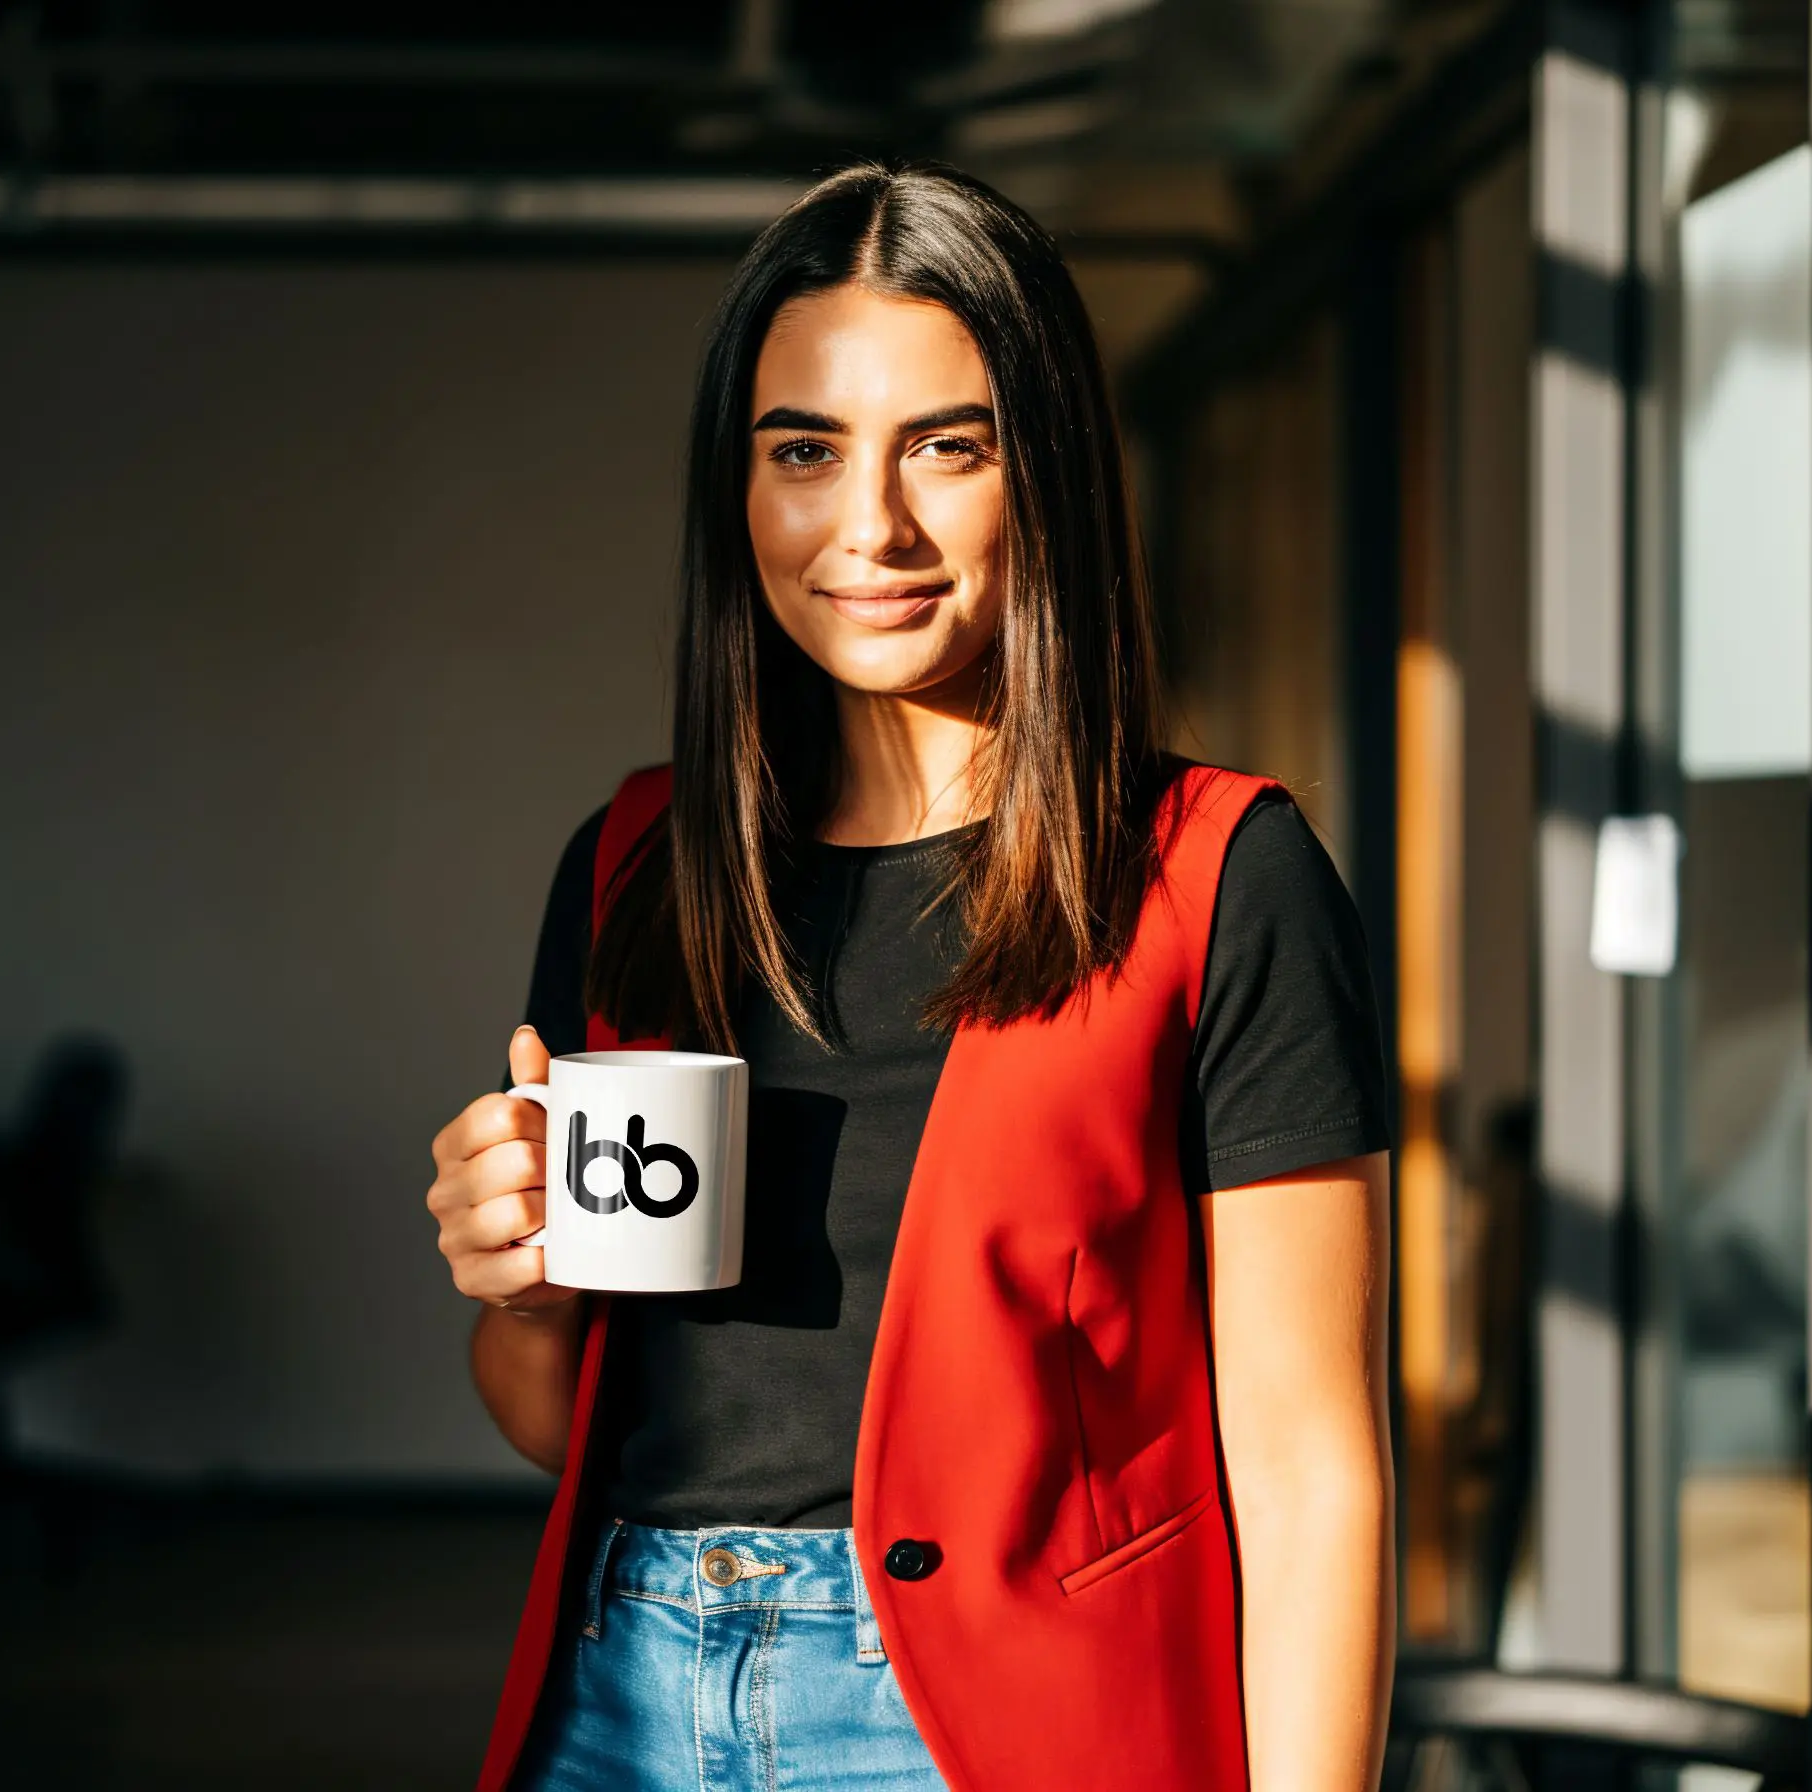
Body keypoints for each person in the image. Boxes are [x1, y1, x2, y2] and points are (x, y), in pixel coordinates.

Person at [425, 160, 1394, 1792]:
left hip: (994, 1722)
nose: (868, 526)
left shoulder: (1218, 872)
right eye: (803, 450)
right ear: (737, 491)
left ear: (1051, 472)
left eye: (949, 447)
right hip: (624, 1692)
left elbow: (1309, 1473)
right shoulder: (636, 863)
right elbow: (569, 1426)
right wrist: (518, 1285)